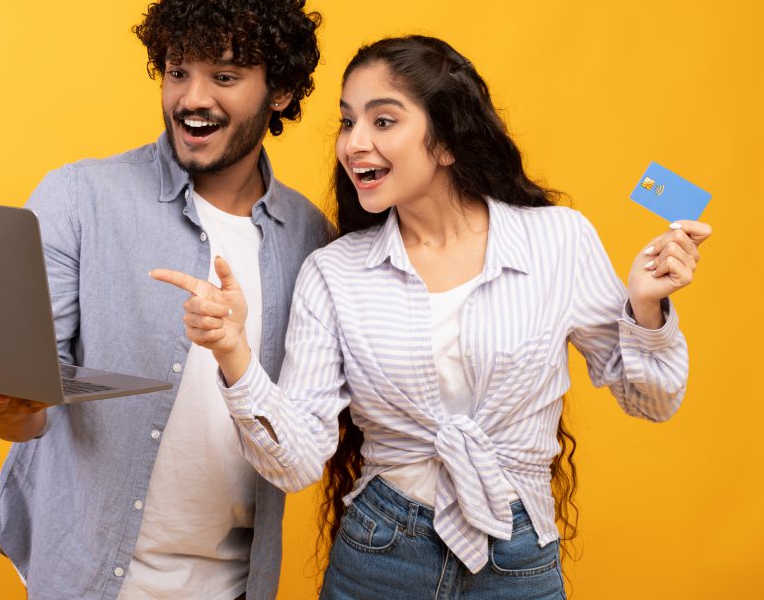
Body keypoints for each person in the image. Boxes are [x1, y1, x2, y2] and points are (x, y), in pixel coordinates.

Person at [152, 35, 712, 599]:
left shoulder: (558, 240)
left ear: (445, 142)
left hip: (519, 556)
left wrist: (645, 306)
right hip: (380, 553)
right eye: (348, 122)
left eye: (384, 121)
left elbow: (653, 400)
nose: (354, 144)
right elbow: (295, 464)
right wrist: (234, 354)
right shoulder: (333, 272)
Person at [0, 0, 332, 600]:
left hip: (237, 585)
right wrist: (2, 408)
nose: (192, 98)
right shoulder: (79, 197)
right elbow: (26, 410)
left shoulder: (309, 236)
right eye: (177, 71)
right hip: (89, 577)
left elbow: (305, 430)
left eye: (224, 75)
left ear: (279, 91)